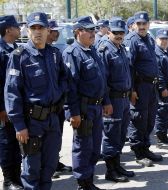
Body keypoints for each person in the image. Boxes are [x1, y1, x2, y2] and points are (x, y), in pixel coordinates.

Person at [4, 12, 68, 189]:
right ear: (27, 30)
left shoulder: (55, 54)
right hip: (32, 123)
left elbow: (64, 78)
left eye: (41, 28)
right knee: (32, 170)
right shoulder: (19, 56)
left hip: (53, 120)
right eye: (34, 28)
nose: (38, 32)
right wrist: (19, 125)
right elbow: (12, 92)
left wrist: (59, 96)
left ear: (49, 30)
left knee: (49, 167)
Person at [62, 16, 107, 190]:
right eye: (89, 30)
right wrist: (73, 113)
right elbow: (70, 87)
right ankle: (83, 183)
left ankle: (89, 179)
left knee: (95, 147)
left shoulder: (92, 50)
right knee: (83, 147)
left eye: (94, 30)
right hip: (83, 108)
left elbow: (101, 79)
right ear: (78, 32)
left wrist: (106, 101)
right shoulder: (72, 53)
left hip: (96, 106)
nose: (93, 33)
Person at [98, 18, 135, 183]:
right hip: (112, 99)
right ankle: (110, 170)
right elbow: (102, 80)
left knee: (120, 134)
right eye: (116, 33)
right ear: (109, 32)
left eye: (122, 33)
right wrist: (106, 102)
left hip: (125, 98)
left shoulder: (121, 49)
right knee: (111, 135)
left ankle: (118, 165)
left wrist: (131, 91)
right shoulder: (105, 50)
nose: (119, 35)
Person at [124, 11, 162, 167]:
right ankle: (138, 152)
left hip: (151, 85)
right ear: (134, 25)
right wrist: (132, 90)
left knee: (150, 118)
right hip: (139, 86)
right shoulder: (132, 40)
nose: (141, 26)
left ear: (148, 24)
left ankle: (146, 148)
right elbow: (129, 67)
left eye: (144, 23)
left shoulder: (149, 38)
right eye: (138, 24)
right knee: (138, 119)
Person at [46, 19, 72, 179]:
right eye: (55, 30)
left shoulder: (54, 52)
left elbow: (64, 77)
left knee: (56, 137)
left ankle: (54, 162)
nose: (58, 33)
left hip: (57, 104)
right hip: (42, 107)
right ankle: (47, 167)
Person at [0, 15, 23, 190]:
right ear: (8, 30)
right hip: (4, 108)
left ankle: (17, 177)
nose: (19, 29)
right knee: (7, 144)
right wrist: (1, 108)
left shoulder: (15, 48)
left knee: (15, 144)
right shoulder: (0, 51)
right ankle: (9, 181)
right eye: (17, 26)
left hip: (15, 105)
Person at [154, 29, 168, 149]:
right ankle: (160, 139)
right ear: (156, 39)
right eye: (161, 39)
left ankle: (164, 136)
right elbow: (158, 73)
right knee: (162, 113)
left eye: (166, 39)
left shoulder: (166, 52)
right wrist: (162, 87)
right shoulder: (157, 53)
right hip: (164, 88)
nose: (164, 41)